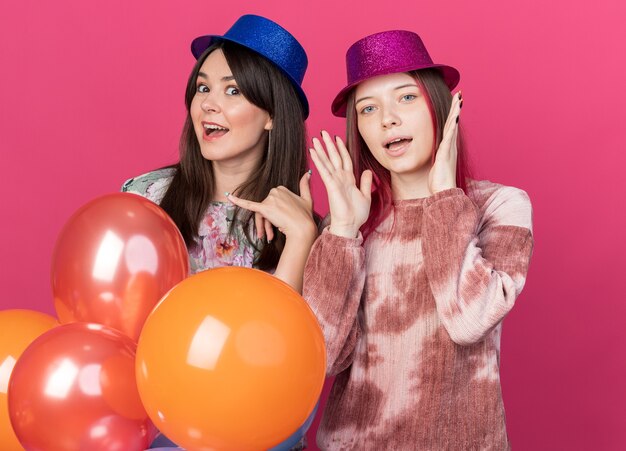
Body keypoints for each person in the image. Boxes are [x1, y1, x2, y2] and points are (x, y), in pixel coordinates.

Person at [303, 30, 534, 449]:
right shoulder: (347, 228)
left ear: (441, 108)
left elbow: (468, 320)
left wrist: (444, 197)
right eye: (368, 108)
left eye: (406, 98)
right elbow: (322, 358)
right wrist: (340, 232)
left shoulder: (501, 206)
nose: (387, 118)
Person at [122, 15, 318, 450]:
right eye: (203, 87)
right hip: (153, 418)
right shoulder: (146, 198)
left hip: (256, 431)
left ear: (271, 115)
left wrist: (302, 239)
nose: (208, 104)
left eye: (232, 90)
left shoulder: (302, 229)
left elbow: (278, 366)